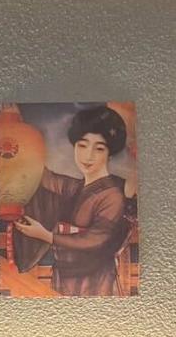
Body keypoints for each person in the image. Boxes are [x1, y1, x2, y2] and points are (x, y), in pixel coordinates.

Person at [13, 104, 136, 297]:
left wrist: (46, 236)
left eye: (99, 148)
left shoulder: (112, 194)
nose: (88, 155)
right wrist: (19, 134)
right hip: (64, 277)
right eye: (82, 145)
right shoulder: (75, 187)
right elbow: (45, 177)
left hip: (95, 282)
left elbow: (95, 239)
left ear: (110, 153)